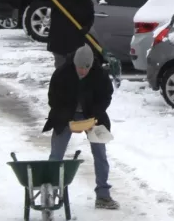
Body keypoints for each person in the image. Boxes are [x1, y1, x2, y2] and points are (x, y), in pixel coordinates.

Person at [42, 44, 119, 210]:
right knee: (56, 154)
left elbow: (106, 97)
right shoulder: (63, 73)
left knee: (100, 154)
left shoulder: (100, 74)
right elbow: (53, 99)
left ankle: (103, 195)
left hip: (92, 117)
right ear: (74, 64)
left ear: (91, 65)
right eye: (79, 68)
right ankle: (51, 191)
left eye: (86, 68)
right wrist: (66, 117)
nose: (82, 71)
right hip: (65, 117)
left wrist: (95, 116)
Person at [47, 0, 96, 69]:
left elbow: (90, 17)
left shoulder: (87, 1)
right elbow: (46, 1)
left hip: (76, 41)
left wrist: (87, 27)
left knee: (75, 67)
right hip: (59, 39)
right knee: (61, 67)